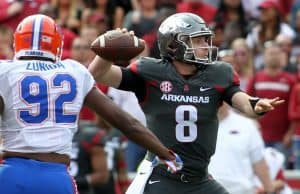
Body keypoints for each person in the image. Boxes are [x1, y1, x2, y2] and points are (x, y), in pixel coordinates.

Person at [88, 12, 284, 194]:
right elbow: (98, 74)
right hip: (162, 175)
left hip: (199, 178)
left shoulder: (218, 73)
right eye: (197, 41)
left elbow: (237, 97)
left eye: (205, 40)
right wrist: (107, 52)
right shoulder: (151, 71)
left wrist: (255, 104)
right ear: (174, 45)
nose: (205, 46)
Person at [0, 14, 181, 194]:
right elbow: (125, 122)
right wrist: (165, 154)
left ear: (17, 43)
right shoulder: (74, 71)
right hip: (55, 177)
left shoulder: (5, 71)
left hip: (12, 174)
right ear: (57, 44)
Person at [209, 103, 284, 194]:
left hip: (241, 191)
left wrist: (269, 189)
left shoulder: (247, 125)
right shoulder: (195, 125)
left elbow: (259, 161)